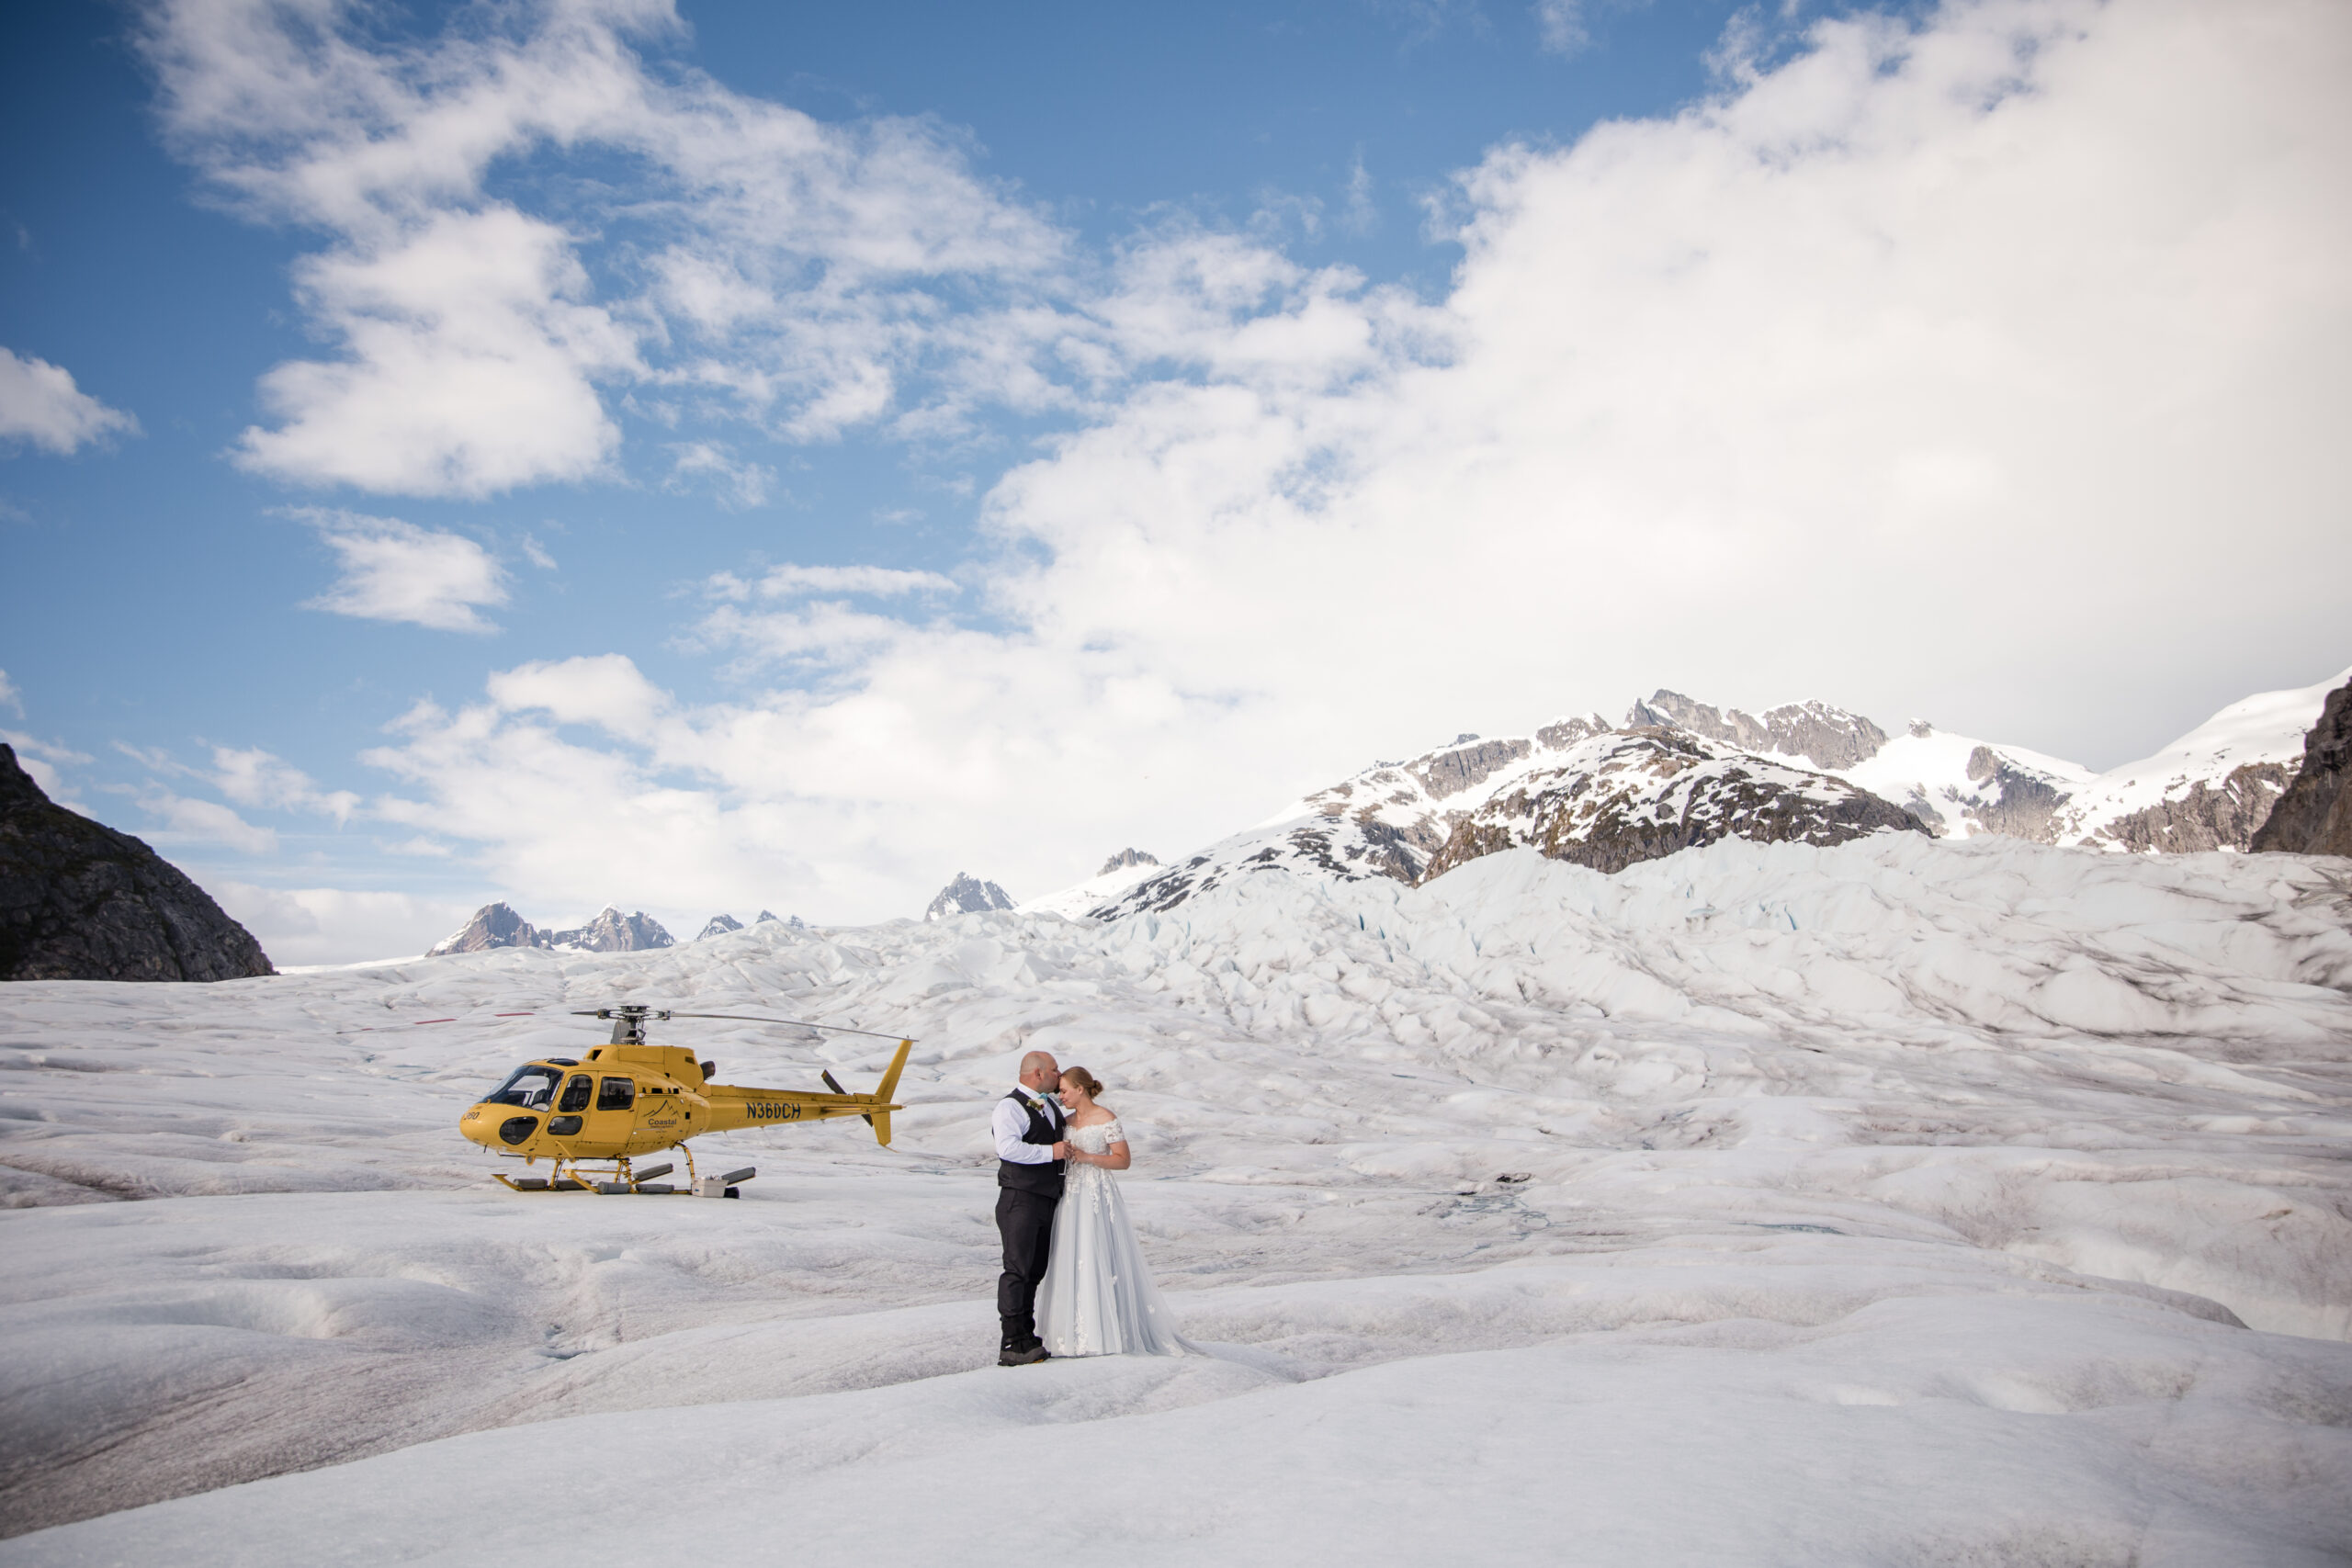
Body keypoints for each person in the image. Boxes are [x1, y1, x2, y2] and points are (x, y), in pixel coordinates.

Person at [1034, 1066, 1197, 1357]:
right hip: (1071, 1196)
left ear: (1080, 1089)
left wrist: (1088, 1157)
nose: (1061, 1096)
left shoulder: (1106, 1118)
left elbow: (1123, 1161)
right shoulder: (1065, 1121)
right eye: (1060, 1091)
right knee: (1073, 1256)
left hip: (1097, 1193)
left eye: (1065, 1090)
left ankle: (1108, 1333)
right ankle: (1072, 1335)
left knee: (1100, 1254)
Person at [992, 1050, 1069, 1367]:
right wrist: (1051, 1152)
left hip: (1046, 1198)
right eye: (1054, 1070)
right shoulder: (1009, 1106)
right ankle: (1011, 1341)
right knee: (1018, 1270)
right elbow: (1008, 1148)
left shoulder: (1049, 1104)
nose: (1058, 1075)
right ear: (1038, 1073)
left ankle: (1028, 1336)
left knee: (1035, 1271)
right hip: (1019, 1199)